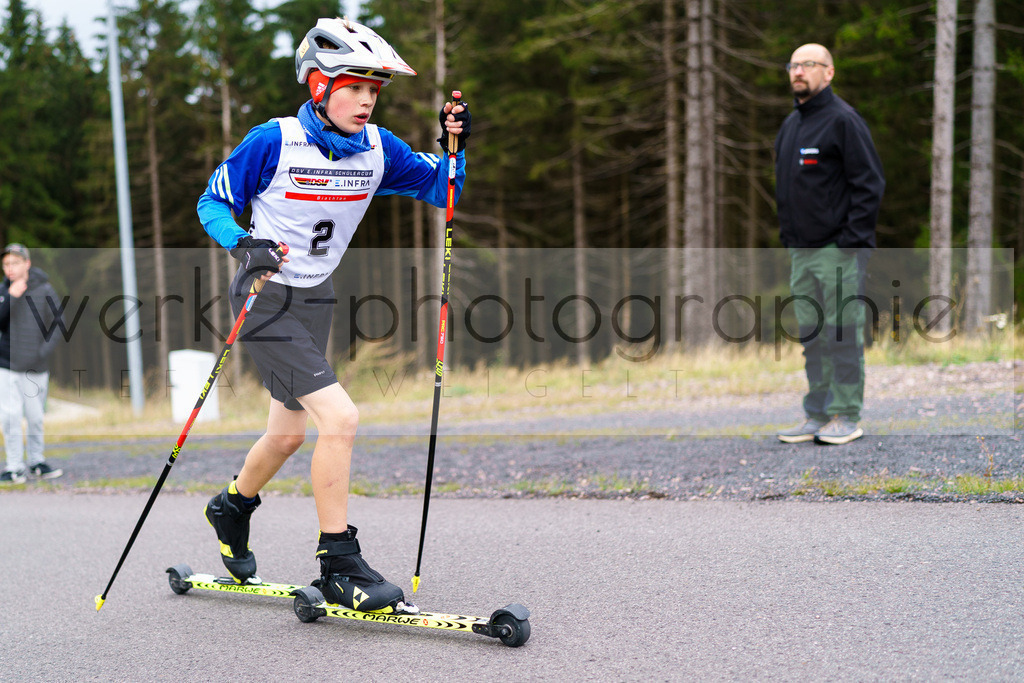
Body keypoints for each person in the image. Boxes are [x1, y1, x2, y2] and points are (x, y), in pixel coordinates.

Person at [196, 17, 470, 612]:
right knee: (339, 419)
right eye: (355, 86)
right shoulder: (273, 140)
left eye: (375, 89)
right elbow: (212, 201)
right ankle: (338, 561)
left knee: (288, 433)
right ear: (318, 84)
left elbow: (443, 189)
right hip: (262, 298)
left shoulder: (378, 148)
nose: (367, 100)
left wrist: (457, 149)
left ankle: (231, 506)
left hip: (315, 297)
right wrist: (245, 243)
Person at [774, 43, 885, 446]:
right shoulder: (791, 126)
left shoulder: (843, 121)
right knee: (812, 335)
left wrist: (850, 242)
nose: (798, 71)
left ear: (829, 72)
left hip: (837, 250)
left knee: (841, 332)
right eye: (793, 65)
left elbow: (869, 184)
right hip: (801, 252)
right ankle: (816, 414)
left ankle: (845, 414)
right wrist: (790, 240)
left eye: (808, 64)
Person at [0, 243, 64, 483]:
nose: (10, 268)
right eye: (6, 264)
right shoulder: (3, 292)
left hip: (35, 366)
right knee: (10, 417)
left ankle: (37, 462)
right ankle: (14, 467)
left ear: (27, 263)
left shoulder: (45, 289)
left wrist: (42, 351)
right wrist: (11, 297)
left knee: (35, 418)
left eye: (15, 263)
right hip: (6, 365)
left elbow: (58, 323)